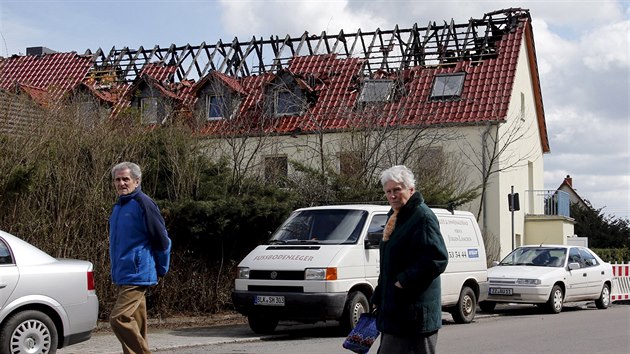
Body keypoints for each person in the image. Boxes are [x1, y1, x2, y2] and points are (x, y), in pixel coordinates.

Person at [371, 165, 449, 354]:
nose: (392, 195)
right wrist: (379, 294)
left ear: (411, 190)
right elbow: (390, 263)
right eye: (388, 191)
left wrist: (403, 281)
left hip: (414, 314)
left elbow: (437, 258)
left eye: (397, 190)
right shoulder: (396, 215)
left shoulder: (422, 216)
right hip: (395, 311)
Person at [109, 161, 172, 354]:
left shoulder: (144, 203)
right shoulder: (118, 207)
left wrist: (161, 267)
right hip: (123, 273)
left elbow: (162, 240)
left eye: (125, 179)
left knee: (118, 318)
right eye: (117, 180)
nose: (121, 183)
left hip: (137, 273)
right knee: (137, 325)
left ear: (137, 181)